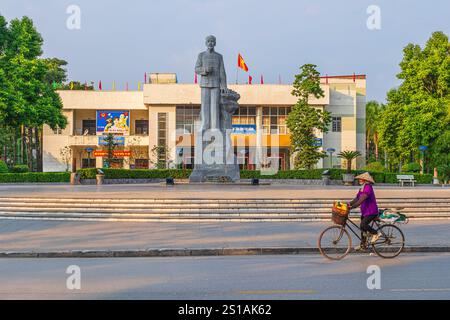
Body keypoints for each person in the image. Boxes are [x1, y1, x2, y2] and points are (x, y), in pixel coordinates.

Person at [348, 172, 381, 249]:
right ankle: (363, 245)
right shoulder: (362, 188)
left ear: (365, 180)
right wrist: (348, 204)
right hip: (365, 211)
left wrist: (352, 207)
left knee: (363, 225)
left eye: (361, 179)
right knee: (362, 228)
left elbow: (361, 199)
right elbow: (357, 199)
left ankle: (376, 234)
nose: (359, 180)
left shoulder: (368, 187)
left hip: (371, 211)